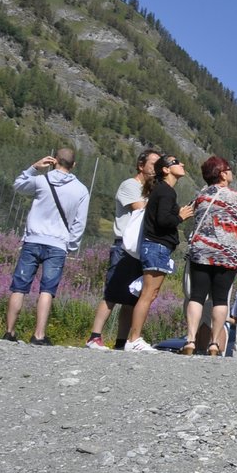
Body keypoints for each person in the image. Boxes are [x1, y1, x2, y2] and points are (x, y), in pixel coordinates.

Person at [4, 148, 90, 345]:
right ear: (73, 165)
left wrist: (34, 167)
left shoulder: (42, 180)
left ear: (54, 161)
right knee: (47, 290)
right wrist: (71, 245)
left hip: (33, 240)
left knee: (19, 287)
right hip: (58, 244)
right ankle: (39, 335)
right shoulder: (81, 190)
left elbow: (18, 185)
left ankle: (9, 332)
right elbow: (79, 222)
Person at [181, 156, 237, 356]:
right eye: (229, 169)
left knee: (197, 296)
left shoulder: (200, 196)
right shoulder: (236, 197)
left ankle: (190, 340)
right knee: (220, 299)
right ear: (222, 173)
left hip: (201, 253)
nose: (231, 172)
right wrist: (234, 224)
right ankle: (214, 343)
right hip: (226, 254)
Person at [87, 148, 159, 350]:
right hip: (123, 246)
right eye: (153, 164)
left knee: (131, 299)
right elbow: (140, 208)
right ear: (141, 165)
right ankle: (95, 336)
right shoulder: (129, 185)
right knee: (112, 294)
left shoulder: (150, 190)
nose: (156, 168)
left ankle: (120, 342)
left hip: (139, 248)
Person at [124, 154, 192, 352]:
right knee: (148, 294)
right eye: (176, 162)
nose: (182, 163)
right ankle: (134, 339)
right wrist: (180, 217)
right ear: (166, 169)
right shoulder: (166, 192)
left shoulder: (162, 191)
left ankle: (134, 338)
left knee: (150, 293)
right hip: (156, 246)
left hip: (156, 247)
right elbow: (163, 221)